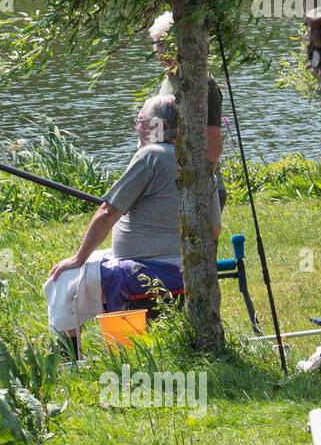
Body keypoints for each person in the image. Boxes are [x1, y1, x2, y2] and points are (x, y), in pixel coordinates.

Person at [44, 95, 220, 352]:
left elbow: (107, 212)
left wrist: (78, 258)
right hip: (189, 266)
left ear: (157, 125)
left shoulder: (151, 156)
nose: (137, 127)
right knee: (81, 270)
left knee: (65, 277)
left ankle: (67, 359)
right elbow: (214, 229)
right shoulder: (201, 162)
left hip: (154, 269)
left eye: (141, 121)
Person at [148, 11, 227, 213]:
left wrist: (199, 186)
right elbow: (159, 138)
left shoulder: (204, 84)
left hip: (200, 187)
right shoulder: (167, 82)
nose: (160, 50)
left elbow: (213, 147)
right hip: (171, 186)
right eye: (158, 43)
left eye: (165, 44)